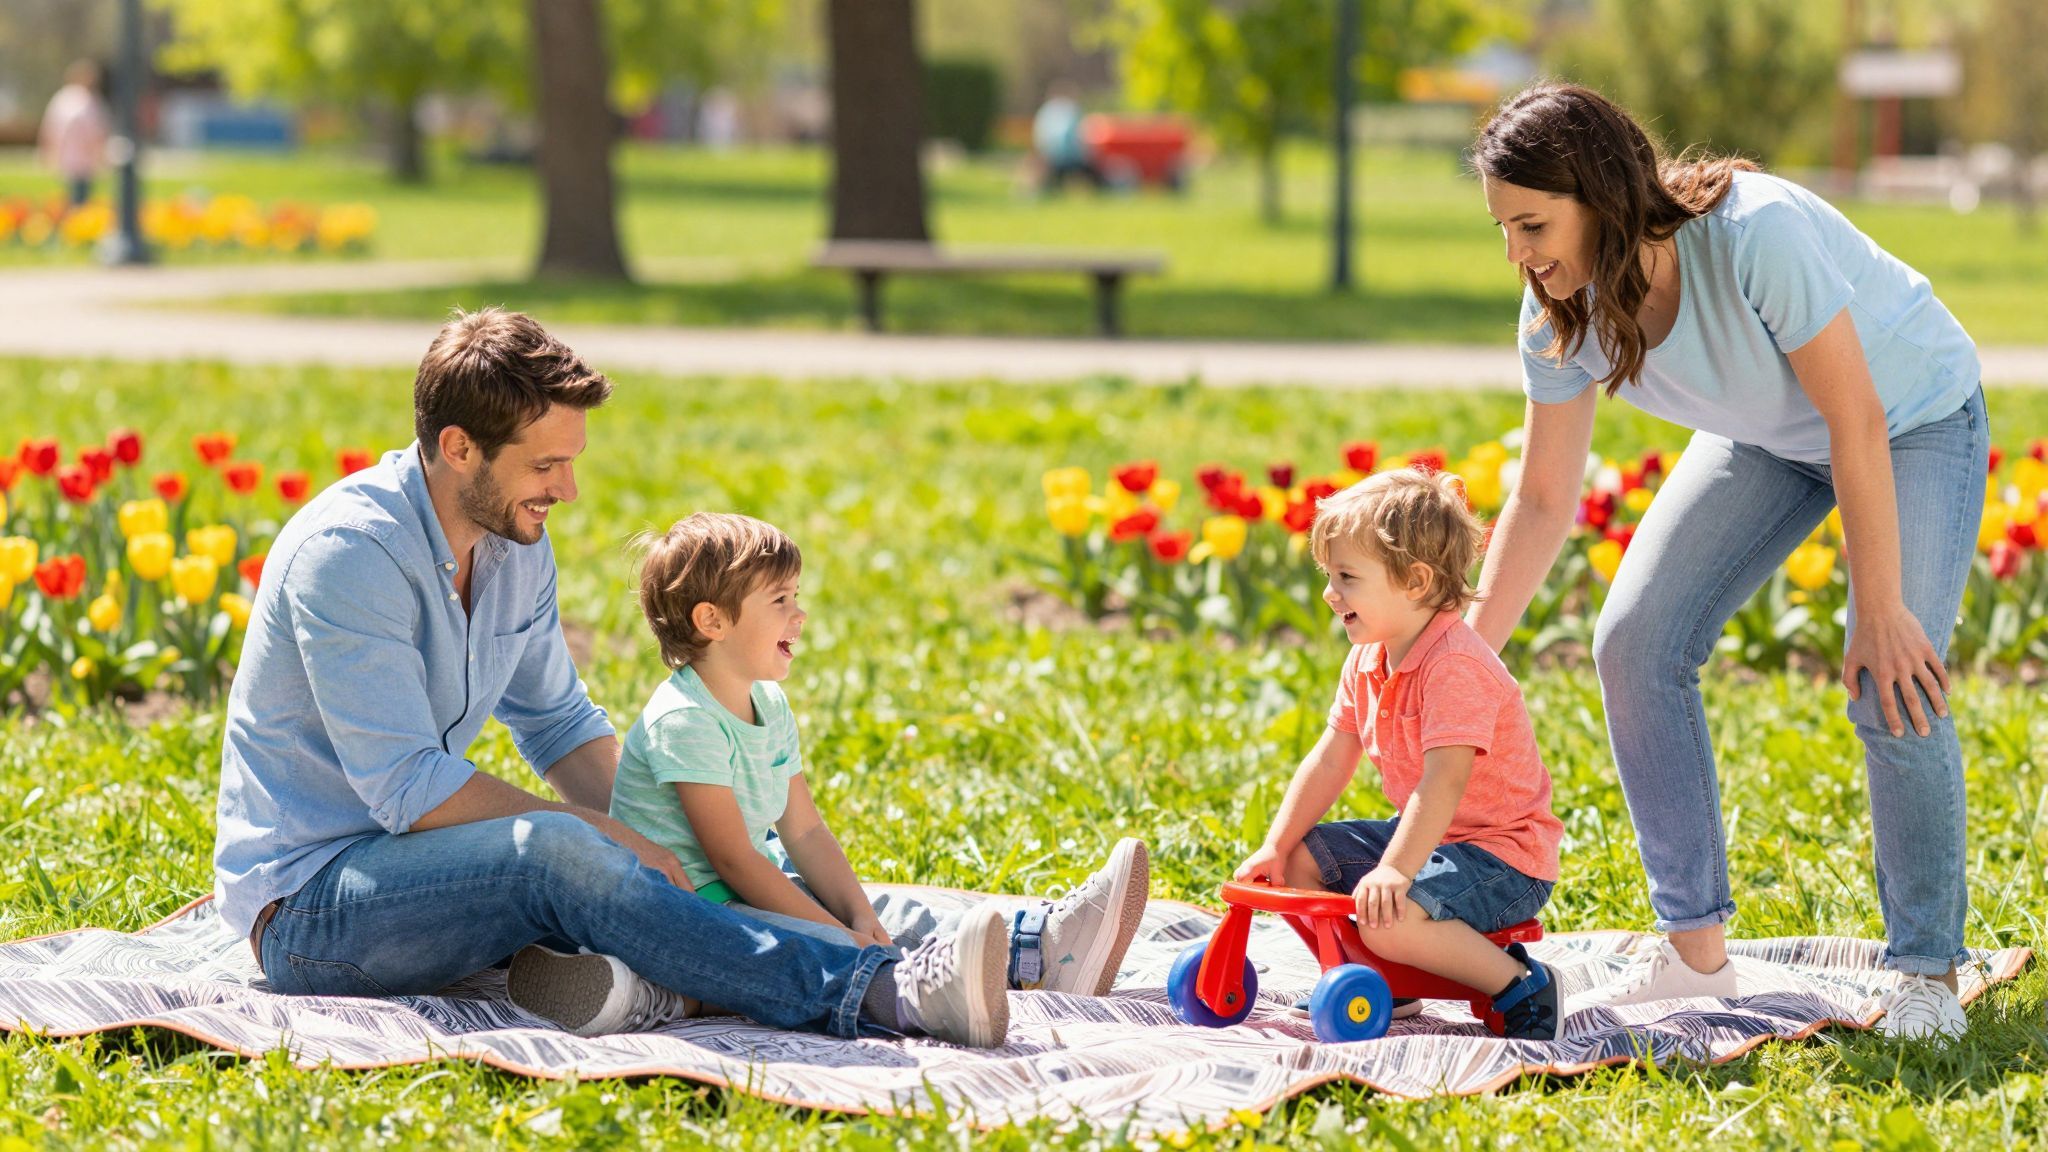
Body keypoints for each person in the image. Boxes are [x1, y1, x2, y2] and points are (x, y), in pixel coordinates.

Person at [213, 309, 1010, 1048]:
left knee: (709, 855)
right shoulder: (350, 555)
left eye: (571, 461)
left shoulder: (513, 543)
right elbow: (408, 788)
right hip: (314, 910)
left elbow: (557, 723)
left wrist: (660, 835)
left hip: (435, 873)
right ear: (458, 448)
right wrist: (607, 838)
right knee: (555, 849)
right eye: (546, 464)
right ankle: (881, 992)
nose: (568, 490)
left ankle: (1023, 949)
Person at [1467, 84, 1985, 1041]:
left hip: (1910, 421)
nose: (1517, 255)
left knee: (1893, 673)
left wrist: (1878, 610)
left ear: (1602, 195)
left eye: (1532, 225)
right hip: (1770, 438)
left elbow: (1856, 418)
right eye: (1504, 228)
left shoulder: (1755, 234)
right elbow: (1541, 501)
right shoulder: (1558, 313)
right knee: (1634, 644)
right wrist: (1456, 665)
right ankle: (1695, 951)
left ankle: (1926, 972)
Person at [508, 514, 1147, 1036]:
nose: (800, 614)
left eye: (797, 597)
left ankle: (1042, 951)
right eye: (780, 600)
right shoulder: (685, 720)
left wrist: (858, 915)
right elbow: (732, 861)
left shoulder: (768, 703)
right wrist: (839, 937)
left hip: (737, 891)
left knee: (886, 911)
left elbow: (805, 832)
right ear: (712, 621)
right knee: (801, 944)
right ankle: (912, 992)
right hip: (687, 909)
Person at [1235, 470, 1564, 1041]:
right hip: (1429, 841)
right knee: (1295, 868)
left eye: (1347, 577)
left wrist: (1394, 869)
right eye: (1329, 575)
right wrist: (1276, 844)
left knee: (1388, 918)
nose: (1329, 593)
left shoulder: (1455, 666)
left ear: (1415, 581)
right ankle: (1385, 978)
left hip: (1503, 857)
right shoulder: (1368, 658)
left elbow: (1443, 782)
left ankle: (1520, 983)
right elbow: (1331, 758)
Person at [38, 61, 109, 209]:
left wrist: (48, 151)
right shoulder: (87, 100)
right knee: (79, 199)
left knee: (71, 197)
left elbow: (48, 128)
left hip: (69, 158)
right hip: (82, 159)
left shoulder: (62, 98)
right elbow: (96, 131)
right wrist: (100, 154)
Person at [1032, 81, 1103, 193]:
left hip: (1050, 158)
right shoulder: (1072, 110)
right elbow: (1076, 138)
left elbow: (1040, 138)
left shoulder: (1045, 111)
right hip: (1070, 159)